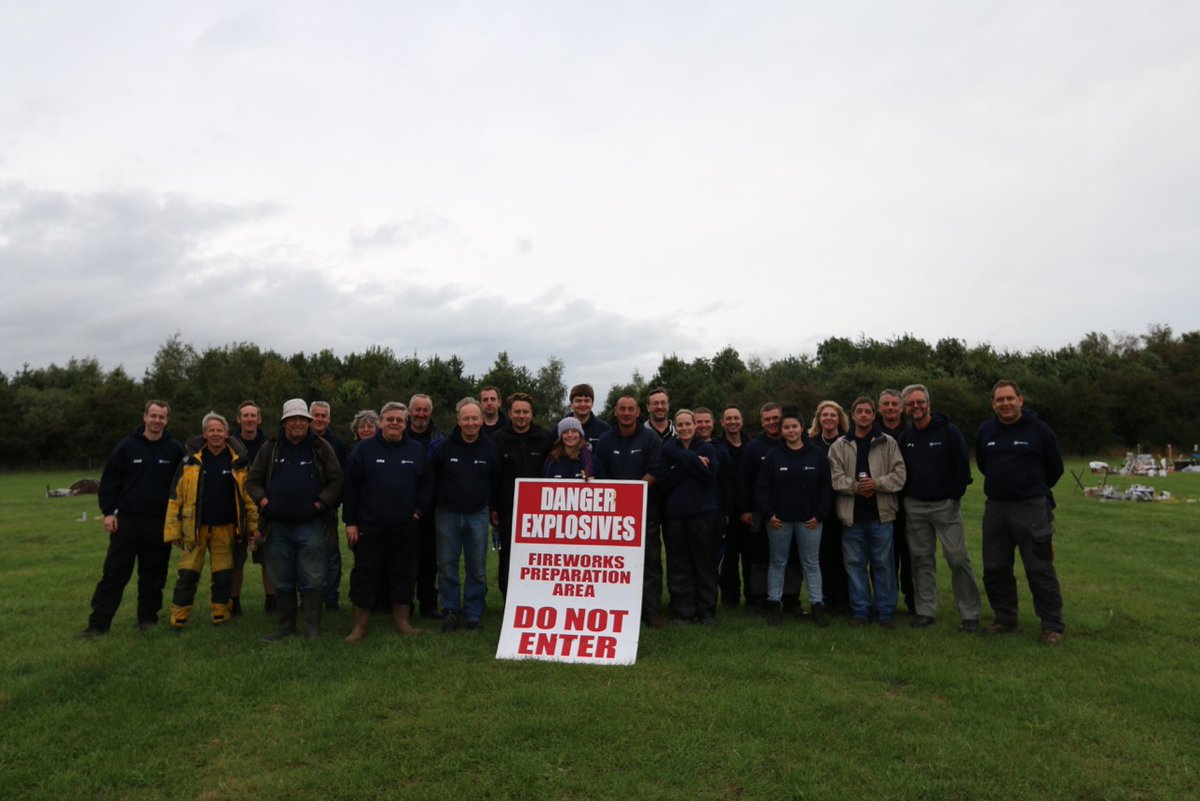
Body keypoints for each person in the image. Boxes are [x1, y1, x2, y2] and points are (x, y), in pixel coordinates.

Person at [975, 380, 1066, 644]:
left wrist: (1031, 488)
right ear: (993, 404)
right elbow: (983, 464)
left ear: (1020, 400)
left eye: (1009, 398)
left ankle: (1052, 625)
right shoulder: (985, 431)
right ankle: (1005, 619)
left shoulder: (1040, 430)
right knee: (995, 567)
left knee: (1039, 567)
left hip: (1032, 507)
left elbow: (1055, 468)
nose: (1005, 403)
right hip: (996, 508)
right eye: (999, 400)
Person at [84, 400, 185, 636]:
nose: (157, 420)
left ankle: (147, 619)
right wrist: (108, 512)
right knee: (115, 574)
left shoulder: (174, 449)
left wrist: (178, 521)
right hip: (127, 522)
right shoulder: (127, 447)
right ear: (145, 417)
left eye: (161, 417)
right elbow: (110, 482)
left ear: (167, 420)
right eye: (153, 416)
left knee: (153, 575)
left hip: (158, 523)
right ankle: (98, 624)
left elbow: (181, 486)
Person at [247, 398, 343, 641]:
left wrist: (320, 503)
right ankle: (285, 627)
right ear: (285, 422)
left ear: (308, 422)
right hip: (277, 526)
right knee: (282, 576)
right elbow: (252, 481)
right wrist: (264, 502)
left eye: (303, 419)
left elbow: (336, 481)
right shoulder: (270, 448)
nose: (298, 423)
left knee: (313, 575)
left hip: (311, 525)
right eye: (293, 419)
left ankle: (313, 628)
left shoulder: (321, 448)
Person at [341, 402, 433, 643]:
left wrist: (418, 512)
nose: (394, 423)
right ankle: (359, 627)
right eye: (390, 419)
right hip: (370, 527)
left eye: (399, 420)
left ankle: (402, 622)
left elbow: (427, 486)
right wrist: (351, 522)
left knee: (404, 574)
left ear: (406, 423)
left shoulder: (416, 450)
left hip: (406, 527)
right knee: (365, 576)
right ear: (381, 422)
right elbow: (351, 489)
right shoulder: (364, 450)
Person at [898, 384, 982, 631]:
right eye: (911, 403)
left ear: (928, 404)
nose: (916, 406)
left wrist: (954, 495)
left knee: (957, 558)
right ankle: (925, 611)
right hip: (915, 506)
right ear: (906, 408)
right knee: (921, 559)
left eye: (920, 402)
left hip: (945, 505)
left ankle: (970, 613)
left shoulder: (948, 431)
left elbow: (962, 467)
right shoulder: (906, 437)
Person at [163, 412, 258, 629]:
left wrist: (252, 527)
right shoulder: (189, 462)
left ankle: (220, 615)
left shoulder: (239, 462)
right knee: (187, 575)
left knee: (223, 575)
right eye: (211, 430)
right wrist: (173, 531)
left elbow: (249, 499)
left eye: (219, 430)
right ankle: (178, 617)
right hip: (194, 529)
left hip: (226, 528)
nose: (215, 434)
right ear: (204, 434)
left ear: (226, 434)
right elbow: (175, 498)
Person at [828, 396, 906, 628]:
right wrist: (856, 487)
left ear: (874, 415)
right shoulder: (839, 446)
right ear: (852, 416)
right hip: (851, 517)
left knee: (883, 565)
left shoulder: (888, 443)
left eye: (868, 411)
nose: (863, 415)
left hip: (881, 516)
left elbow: (899, 474)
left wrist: (877, 484)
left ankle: (885, 612)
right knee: (855, 565)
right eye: (859, 411)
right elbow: (834, 478)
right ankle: (861, 610)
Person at [756, 408, 832, 627]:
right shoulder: (773, 456)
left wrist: (819, 514)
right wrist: (768, 514)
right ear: (782, 430)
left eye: (794, 426)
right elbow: (762, 488)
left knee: (811, 563)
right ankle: (774, 606)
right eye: (786, 427)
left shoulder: (817, 454)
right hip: (779, 522)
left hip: (810, 522)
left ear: (802, 427)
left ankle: (817, 606)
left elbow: (826, 487)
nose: (790, 431)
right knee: (777, 563)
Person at [431, 398, 501, 633]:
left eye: (474, 418)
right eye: (466, 419)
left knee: (477, 568)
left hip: (478, 515)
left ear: (481, 420)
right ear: (458, 421)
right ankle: (450, 610)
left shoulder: (490, 448)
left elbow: (495, 482)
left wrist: (493, 509)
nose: (470, 423)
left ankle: (474, 613)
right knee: (447, 565)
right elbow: (433, 478)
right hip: (447, 514)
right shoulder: (443, 447)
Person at [596, 395, 665, 628]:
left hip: (647, 511)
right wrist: (620, 500)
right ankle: (618, 608)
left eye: (631, 409)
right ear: (615, 411)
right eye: (622, 409)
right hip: (613, 514)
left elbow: (655, 470)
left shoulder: (650, 438)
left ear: (638, 413)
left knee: (650, 561)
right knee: (615, 564)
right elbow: (600, 473)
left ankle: (651, 610)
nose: (626, 413)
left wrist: (632, 496)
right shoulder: (605, 440)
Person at [659, 409, 722, 625]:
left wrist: (683, 463)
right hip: (675, 516)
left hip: (704, 515)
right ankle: (682, 611)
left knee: (704, 564)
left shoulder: (708, 448)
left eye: (689, 424)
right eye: (681, 424)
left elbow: (708, 476)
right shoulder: (668, 450)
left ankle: (706, 611)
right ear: (676, 427)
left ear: (695, 426)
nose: (685, 428)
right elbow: (664, 482)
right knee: (679, 565)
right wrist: (692, 461)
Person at [491, 392, 554, 598]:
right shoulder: (498, 439)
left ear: (532, 414)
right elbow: (492, 475)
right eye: (517, 412)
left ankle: (536, 597)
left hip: (539, 510)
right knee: (508, 555)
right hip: (508, 508)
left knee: (538, 557)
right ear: (509, 413)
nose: (521, 416)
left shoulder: (545, 438)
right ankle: (509, 598)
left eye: (525, 412)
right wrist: (493, 507)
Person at [808, 400, 850, 614]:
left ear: (839, 418)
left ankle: (844, 600)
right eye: (825, 415)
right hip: (819, 508)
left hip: (844, 505)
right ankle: (826, 598)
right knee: (823, 556)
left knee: (844, 555)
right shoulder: (811, 443)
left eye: (833, 415)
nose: (829, 419)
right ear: (819, 419)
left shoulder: (848, 442)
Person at [230, 400, 270, 616]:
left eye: (253, 415)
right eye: (245, 415)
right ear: (238, 419)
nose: (249, 419)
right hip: (234, 509)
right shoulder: (229, 443)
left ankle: (271, 600)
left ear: (259, 419)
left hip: (263, 507)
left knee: (267, 558)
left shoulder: (269, 444)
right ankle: (234, 602)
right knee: (236, 558)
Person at [407, 393, 445, 619]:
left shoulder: (440, 439)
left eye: (425, 410)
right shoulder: (399, 435)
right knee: (405, 560)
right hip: (404, 508)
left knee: (430, 560)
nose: (421, 414)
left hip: (432, 509)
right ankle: (404, 603)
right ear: (410, 411)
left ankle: (429, 603)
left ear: (431, 412)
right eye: (417, 409)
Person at [878, 388, 915, 614]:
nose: (890, 408)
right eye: (886, 404)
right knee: (884, 557)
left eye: (895, 404)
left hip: (909, 502)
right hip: (881, 503)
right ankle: (885, 602)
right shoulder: (871, 432)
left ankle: (913, 601)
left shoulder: (912, 431)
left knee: (911, 555)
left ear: (902, 408)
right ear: (879, 408)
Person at [310, 400, 349, 612]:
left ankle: (331, 598)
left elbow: (341, 478)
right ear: (309, 417)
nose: (320, 419)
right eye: (316, 415)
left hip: (328, 508)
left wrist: (332, 502)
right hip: (302, 509)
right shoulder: (299, 440)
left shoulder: (338, 444)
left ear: (329, 419)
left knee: (331, 555)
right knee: (306, 555)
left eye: (323, 415)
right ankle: (306, 598)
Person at [716, 405, 750, 608]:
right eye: (728, 418)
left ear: (742, 420)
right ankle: (730, 599)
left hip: (748, 512)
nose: (732, 422)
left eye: (736, 418)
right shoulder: (717, 447)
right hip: (726, 512)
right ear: (722, 422)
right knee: (728, 558)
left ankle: (753, 597)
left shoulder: (751, 446)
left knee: (750, 558)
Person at [568, 383, 611, 449]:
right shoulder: (559, 430)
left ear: (592, 403)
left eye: (587, 401)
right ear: (571, 404)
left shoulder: (605, 430)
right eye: (578, 401)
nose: (582, 404)